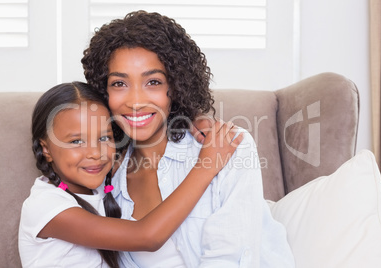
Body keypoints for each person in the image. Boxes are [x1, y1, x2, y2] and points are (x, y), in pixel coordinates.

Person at [81, 10, 295, 268]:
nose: (135, 102)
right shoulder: (103, 173)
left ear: (177, 86)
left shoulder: (226, 145)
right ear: (103, 92)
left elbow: (233, 259)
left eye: (153, 82)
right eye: (119, 84)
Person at [18, 81, 242, 268]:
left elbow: (147, 127)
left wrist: (192, 120)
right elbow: (147, 236)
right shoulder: (45, 206)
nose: (95, 153)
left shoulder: (103, 180)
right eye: (76, 141)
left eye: (104, 137)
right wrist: (206, 166)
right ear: (46, 148)